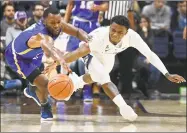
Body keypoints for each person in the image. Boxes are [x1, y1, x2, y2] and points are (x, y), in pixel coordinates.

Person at [53, 15, 185, 121]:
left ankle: (74, 83)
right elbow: (78, 53)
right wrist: (57, 62)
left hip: (109, 54)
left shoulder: (133, 37)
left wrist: (167, 74)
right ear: (110, 27)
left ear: (126, 32)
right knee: (103, 77)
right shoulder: (98, 37)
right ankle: (124, 107)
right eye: (113, 30)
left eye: (120, 32)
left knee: (96, 76)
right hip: (91, 52)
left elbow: (150, 54)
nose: (115, 34)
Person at [4, 7, 90, 121]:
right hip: (18, 57)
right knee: (44, 83)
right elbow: (48, 46)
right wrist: (61, 60)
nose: (56, 25)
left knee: (38, 81)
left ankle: (31, 89)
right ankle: (45, 106)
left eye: (58, 22)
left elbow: (78, 32)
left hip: (34, 54)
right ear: (44, 21)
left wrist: (90, 40)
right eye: (52, 23)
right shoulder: (40, 34)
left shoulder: (58, 24)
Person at [64, 0, 109, 101]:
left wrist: (97, 8)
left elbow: (106, 6)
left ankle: (87, 89)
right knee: (68, 58)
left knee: (89, 60)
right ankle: (66, 88)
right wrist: (64, 24)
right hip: (76, 23)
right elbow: (70, 5)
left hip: (91, 25)